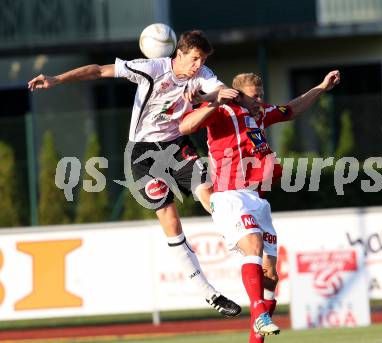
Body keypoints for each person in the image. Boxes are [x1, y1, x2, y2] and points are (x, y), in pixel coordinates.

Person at [27, 30, 241, 317]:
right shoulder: (151, 68)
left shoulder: (202, 73)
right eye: (194, 58)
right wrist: (56, 79)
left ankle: (236, 240)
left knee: (208, 190)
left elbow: (218, 88)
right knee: (170, 218)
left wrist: (211, 94)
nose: (197, 65)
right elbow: (98, 70)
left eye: (202, 60)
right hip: (143, 155)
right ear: (178, 53)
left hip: (176, 146)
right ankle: (209, 293)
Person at [179, 70, 340, 340]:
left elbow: (291, 109)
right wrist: (214, 101)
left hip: (257, 199)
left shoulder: (261, 113)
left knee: (271, 277)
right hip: (230, 195)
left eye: (261, 94)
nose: (260, 100)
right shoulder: (222, 112)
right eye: (255, 96)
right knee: (252, 243)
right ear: (238, 95)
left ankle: (258, 332)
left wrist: (321, 88)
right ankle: (258, 312)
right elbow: (187, 126)